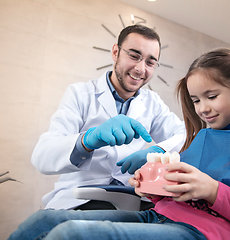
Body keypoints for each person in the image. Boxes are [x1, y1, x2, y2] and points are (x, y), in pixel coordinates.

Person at [8, 46, 230, 240]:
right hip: (159, 215)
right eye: (196, 100)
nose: (202, 109)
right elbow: (177, 195)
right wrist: (152, 185)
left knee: (70, 234)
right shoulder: (203, 135)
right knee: (42, 223)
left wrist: (212, 190)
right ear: (116, 52)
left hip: (205, 231)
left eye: (211, 97)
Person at [31, 24, 185, 211]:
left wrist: (159, 151)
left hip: (132, 197)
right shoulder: (80, 93)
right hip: (81, 197)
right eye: (134, 56)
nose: (140, 69)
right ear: (115, 52)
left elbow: (186, 134)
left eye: (150, 62)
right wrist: (87, 141)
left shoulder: (152, 102)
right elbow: (42, 156)